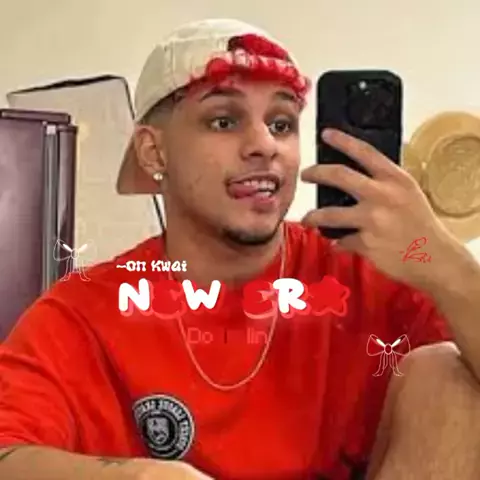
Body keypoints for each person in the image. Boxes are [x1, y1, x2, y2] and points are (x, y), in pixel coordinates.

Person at [0, 18, 479, 480]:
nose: (264, 145)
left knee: (449, 376)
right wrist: (138, 476)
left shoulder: (370, 276)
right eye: (224, 121)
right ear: (153, 152)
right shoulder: (83, 313)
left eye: (282, 124)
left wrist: (443, 260)